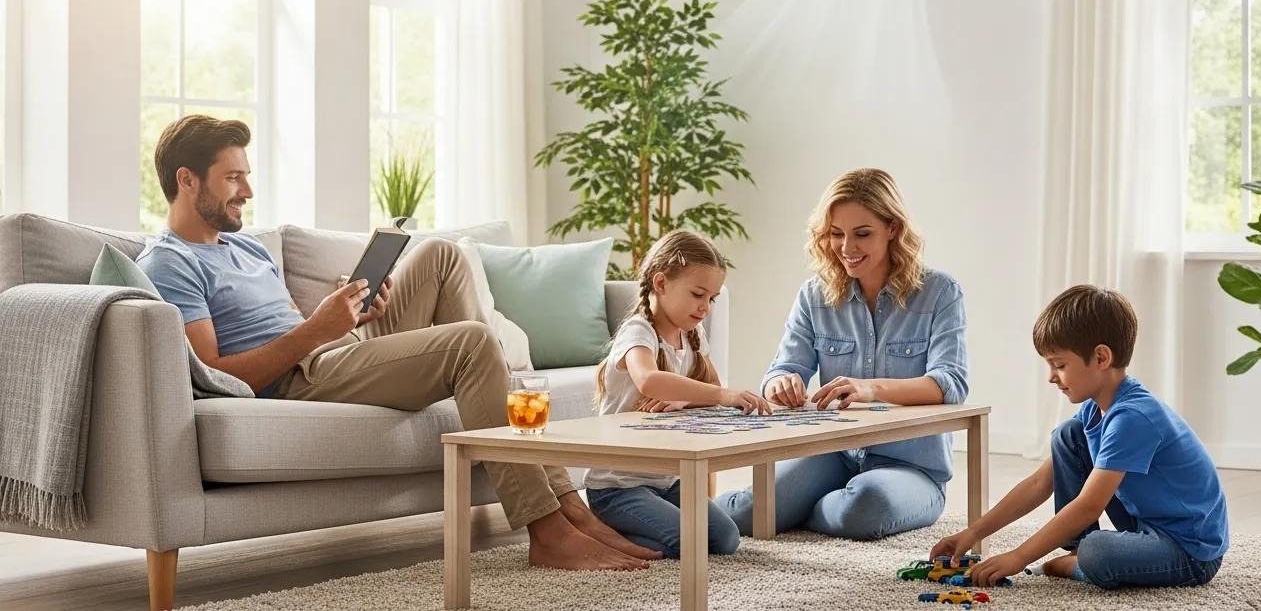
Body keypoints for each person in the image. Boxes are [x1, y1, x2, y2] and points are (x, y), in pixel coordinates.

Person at [137, 114, 659, 571]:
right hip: (297, 379)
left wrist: (351, 309)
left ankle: (565, 499)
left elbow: (287, 323)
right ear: (186, 180)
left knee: (440, 255)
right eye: (233, 178)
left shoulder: (247, 248)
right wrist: (321, 328)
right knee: (472, 344)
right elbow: (216, 375)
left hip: (330, 352)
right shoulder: (170, 262)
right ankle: (547, 528)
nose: (247, 191)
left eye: (246, 177)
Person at [719, 168, 968, 540]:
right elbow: (781, 371)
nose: (847, 248)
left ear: (893, 229)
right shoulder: (814, 295)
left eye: (862, 234)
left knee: (863, 509)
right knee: (746, 514)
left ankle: (798, 512)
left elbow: (950, 383)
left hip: (911, 469)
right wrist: (781, 383)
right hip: (832, 456)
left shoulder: (940, 292)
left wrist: (871, 388)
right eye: (836, 234)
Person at [933, 285, 1228, 589]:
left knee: (1098, 551)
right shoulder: (1094, 410)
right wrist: (973, 532)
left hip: (1190, 552)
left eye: (1059, 365)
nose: (1051, 377)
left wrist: (1018, 557)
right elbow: (1039, 483)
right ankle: (1079, 548)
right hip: (1145, 525)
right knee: (1067, 436)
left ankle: (1080, 559)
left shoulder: (1133, 417)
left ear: (1101, 358)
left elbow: (1089, 505)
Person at [584, 230, 770, 558]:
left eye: (711, 298)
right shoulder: (638, 331)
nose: (706, 308)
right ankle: (603, 536)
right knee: (692, 542)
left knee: (726, 538)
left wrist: (687, 398)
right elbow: (649, 380)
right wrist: (722, 396)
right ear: (660, 283)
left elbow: (712, 388)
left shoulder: (691, 336)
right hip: (618, 487)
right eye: (698, 294)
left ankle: (640, 527)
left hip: (665, 482)